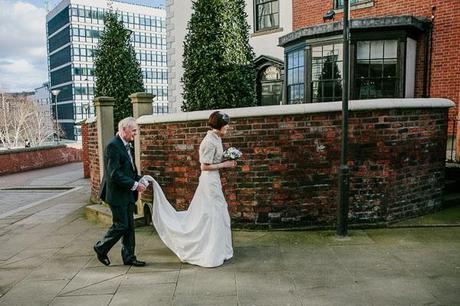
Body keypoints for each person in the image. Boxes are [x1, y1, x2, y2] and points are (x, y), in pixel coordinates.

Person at [148, 111, 236, 267]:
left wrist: (228, 157)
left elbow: (213, 159)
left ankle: (219, 248)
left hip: (214, 180)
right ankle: (209, 250)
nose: (228, 127)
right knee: (213, 213)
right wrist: (225, 164)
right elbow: (204, 166)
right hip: (210, 182)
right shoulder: (209, 141)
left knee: (217, 212)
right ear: (220, 125)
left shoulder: (216, 138)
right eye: (226, 124)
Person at [93, 117, 147, 267]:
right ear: (124, 129)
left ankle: (129, 257)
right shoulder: (113, 146)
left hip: (127, 193)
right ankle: (101, 247)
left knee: (129, 226)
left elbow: (128, 170)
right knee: (121, 225)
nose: (135, 134)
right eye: (133, 130)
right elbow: (114, 174)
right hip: (116, 194)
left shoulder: (126, 145)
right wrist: (135, 185)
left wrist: (140, 179)